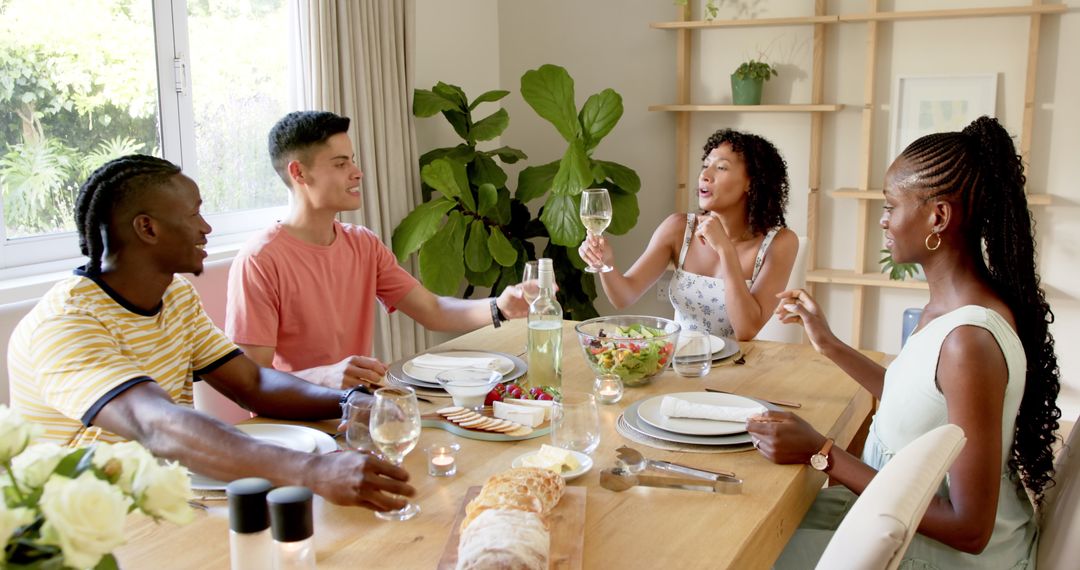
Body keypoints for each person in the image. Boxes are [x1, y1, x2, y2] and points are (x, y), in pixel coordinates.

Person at [6, 155, 415, 511]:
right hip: (87, 531)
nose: (206, 228)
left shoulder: (175, 294)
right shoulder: (65, 323)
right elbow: (156, 424)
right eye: (193, 214)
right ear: (147, 228)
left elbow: (251, 382)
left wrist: (351, 401)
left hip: (165, 499)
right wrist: (312, 469)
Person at [749, 116, 1060, 569]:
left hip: (942, 553)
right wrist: (828, 343)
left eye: (891, 205)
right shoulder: (952, 310)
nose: (883, 220)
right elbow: (917, 398)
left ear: (938, 216)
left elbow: (971, 529)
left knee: (752, 553)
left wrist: (823, 453)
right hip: (897, 515)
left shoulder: (968, 340)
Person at [225, 111, 530, 389]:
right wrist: (324, 376)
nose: (357, 172)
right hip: (293, 427)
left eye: (353, 160)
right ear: (299, 173)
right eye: (341, 164)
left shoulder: (363, 243)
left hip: (356, 410)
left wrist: (500, 307)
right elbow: (251, 378)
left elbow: (432, 311)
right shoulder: (260, 260)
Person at [577, 128, 798, 341]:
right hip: (682, 364)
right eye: (705, 165)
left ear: (751, 182)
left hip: (740, 368)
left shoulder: (779, 243)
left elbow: (746, 330)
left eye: (721, 168)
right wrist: (606, 264)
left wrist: (725, 250)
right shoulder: (679, 228)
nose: (705, 175)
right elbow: (623, 297)